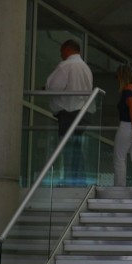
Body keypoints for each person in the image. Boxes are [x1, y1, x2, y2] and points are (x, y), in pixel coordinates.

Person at [45, 39, 94, 184]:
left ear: (67, 50)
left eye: (61, 51)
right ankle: (79, 180)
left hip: (69, 111)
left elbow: (52, 87)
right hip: (83, 112)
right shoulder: (86, 68)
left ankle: (69, 180)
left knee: (67, 147)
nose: (61, 54)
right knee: (77, 148)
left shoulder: (66, 66)